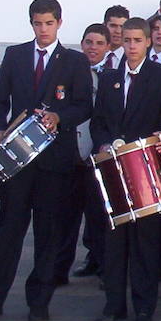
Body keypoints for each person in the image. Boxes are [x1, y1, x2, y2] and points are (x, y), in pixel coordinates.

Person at [0, 0, 92, 321]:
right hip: (17, 161)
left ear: (59, 23)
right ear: (31, 24)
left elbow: (84, 106)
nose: (43, 30)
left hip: (55, 162)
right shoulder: (15, 55)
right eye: (37, 24)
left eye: (48, 23)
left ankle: (39, 302)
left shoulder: (74, 61)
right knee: (9, 230)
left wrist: (59, 116)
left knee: (48, 233)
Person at [90, 18, 161, 321]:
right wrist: (101, 143)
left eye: (137, 41)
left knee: (145, 241)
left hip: (144, 170)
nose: (131, 46)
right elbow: (98, 120)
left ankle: (144, 307)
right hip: (114, 168)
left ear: (148, 42)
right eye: (126, 40)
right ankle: (114, 306)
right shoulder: (109, 77)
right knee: (114, 239)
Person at [54, 23, 111, 285]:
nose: (93, 47)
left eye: (100, 43)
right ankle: (58, 270)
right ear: (81, 44)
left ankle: (100, 264)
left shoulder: (111, 78)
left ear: (108, 48)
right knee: (65, 216)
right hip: (68, 153)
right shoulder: (66, 73)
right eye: (89, 42)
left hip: (95, 154)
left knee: (99, 216)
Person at [102, 5, 129, 71]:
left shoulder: (133, 58)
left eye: (122, 27)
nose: (118, 31)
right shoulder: (92, 54)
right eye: (113, 26)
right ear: (104, 25)